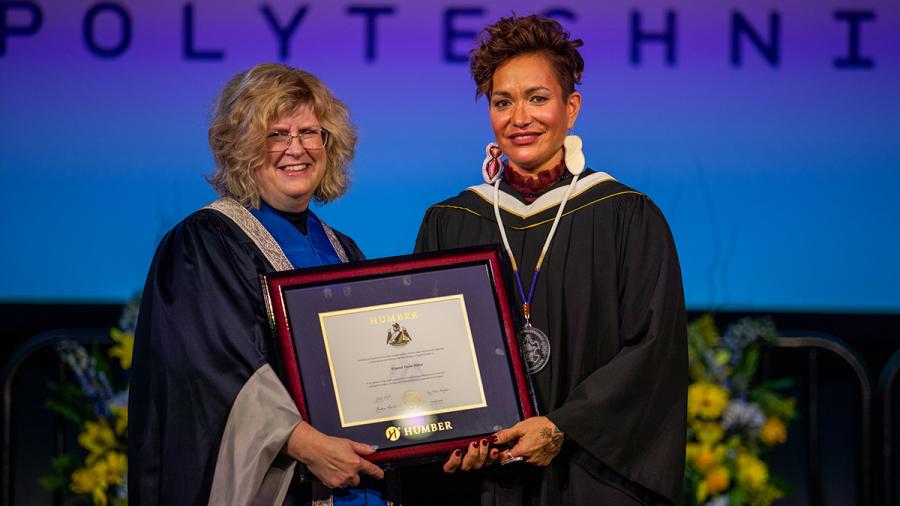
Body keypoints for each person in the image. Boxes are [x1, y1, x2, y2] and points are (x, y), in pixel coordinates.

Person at [412, 15, 688, 505]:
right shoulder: (451, 222)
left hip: (587, 479)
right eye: (503, 102)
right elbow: (428, 356)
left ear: (571, 107)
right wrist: (449, 438)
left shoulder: (625, 217)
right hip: (486, 484)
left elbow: (652, 352)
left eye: (538, 98)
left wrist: (564, 426)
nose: (520, 118)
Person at [128, 64, 388, 505]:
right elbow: (214, 374)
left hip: (352, 480)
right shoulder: (202, 245)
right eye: (276, 134)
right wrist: (310, 445)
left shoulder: (342, 249)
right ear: (243, 147)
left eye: (310, 132)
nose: (296, 148)